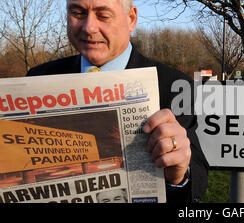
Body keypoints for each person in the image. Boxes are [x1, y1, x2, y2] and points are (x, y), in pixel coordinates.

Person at [27, 0, 209, 203]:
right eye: (78, 13)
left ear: (131, 19)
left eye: (103, 15)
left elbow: (198, 181)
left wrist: (178, 175)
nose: (89, 27)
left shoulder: (174, 84)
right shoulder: (38, 78)